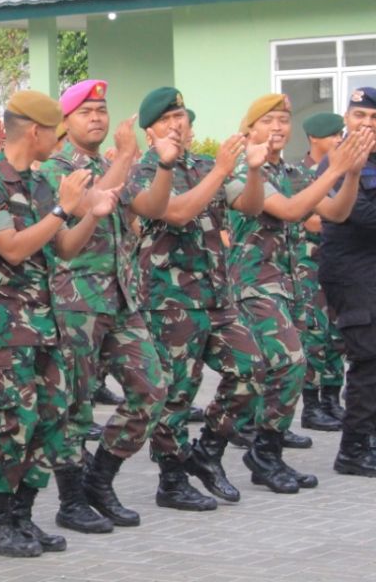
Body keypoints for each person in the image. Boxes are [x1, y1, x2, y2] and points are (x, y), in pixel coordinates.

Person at [0, 90, 116, 558]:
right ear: (35, 131)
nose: (57, 139)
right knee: (13, 422)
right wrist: (63, 210)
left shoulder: (40, 183)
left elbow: (65, 248)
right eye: (54, 130)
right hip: (5, 323)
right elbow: (11, 247)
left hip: (46, 320)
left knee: (48, 421)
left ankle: (21, 516)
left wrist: (90, 213)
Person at [120, 87, 267, 512]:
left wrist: (253, 171)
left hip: (217, 295)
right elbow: (178, 212)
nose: (176, 124)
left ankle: (208, 453)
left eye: (181, 116)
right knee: (178, 393)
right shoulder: (141, 173)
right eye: (166, 119)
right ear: (150, 132)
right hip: (169, 300)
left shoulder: (205, 166)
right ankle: (171, 479)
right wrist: (222, 171)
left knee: (252, 369)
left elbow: (250, 207)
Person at [37, 80, 166, 533]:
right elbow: (93, 203)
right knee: (73, 405)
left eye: (102, 109)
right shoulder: (54, 170)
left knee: (151, 389)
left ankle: (100, 477)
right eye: (85, 111)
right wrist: (128, 157)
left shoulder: (111, 163)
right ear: (65, 122)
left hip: (121, 297)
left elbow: (143, 207)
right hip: (75, 301)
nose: (96, 117)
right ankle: (71, 499)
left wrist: (155, 163)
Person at [229, 94, 369, 492]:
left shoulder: (290, 170)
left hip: (288, 285)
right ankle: (254, 450)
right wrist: (335, 169)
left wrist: (353, 174)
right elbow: (290, 211)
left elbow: (336, 212)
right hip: (252, 283)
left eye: (284, 121)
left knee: (289, 367)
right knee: (289, 364)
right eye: (269, 120)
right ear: (251, 127)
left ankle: (265, 452)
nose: (278, 128)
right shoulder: (242, 168)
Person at [319, 87, 376, 476]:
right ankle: (352, 450)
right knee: (369, 358)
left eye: (373, 119)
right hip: (349, 272)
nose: (367, 124)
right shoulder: (335, 164)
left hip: (369, 269)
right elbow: (364, 216)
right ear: (346, 118)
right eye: (360, 116)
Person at [297, 112, 348, 431]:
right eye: (333, 135)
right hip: (309, 264)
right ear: (314, 138)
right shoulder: (300, 175)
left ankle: (331, 399)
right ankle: (312, 406)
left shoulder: (339, 174)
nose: (339, 140)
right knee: (314, 334)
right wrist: (343, 219)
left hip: (336, 262)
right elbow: (309, 219)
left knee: (337, 335)